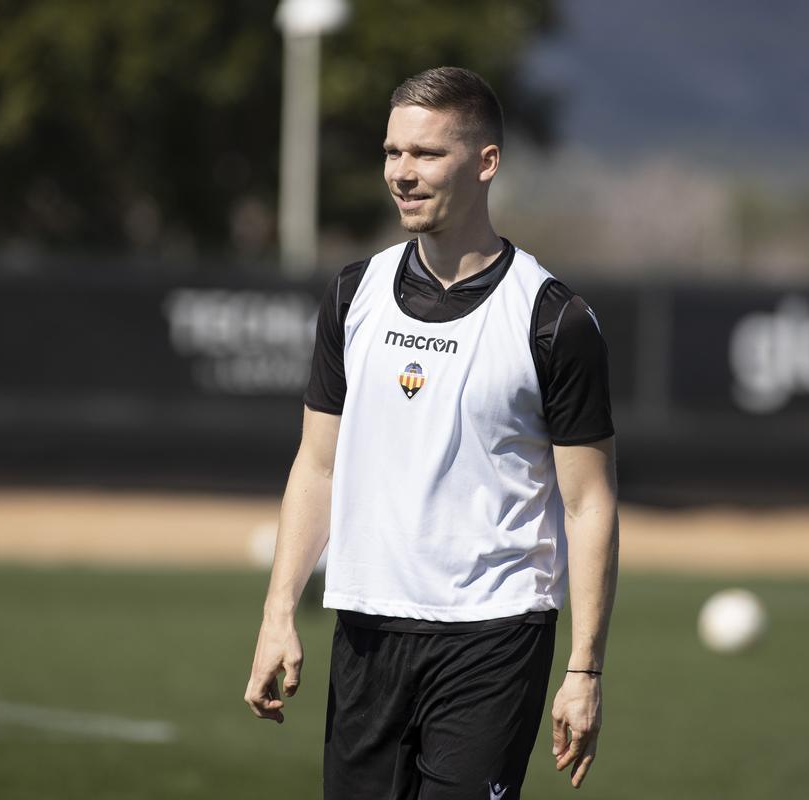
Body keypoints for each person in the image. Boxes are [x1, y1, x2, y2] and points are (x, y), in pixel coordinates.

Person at [245, 66, 620, 798]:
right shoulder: (354, 294)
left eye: (426, 155)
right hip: (366, 628)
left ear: (486, 162)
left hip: (495, 634)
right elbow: (316, 467)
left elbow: (589, 504)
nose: (402, 175)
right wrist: (277, 615)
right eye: (393, 153)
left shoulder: (553, 320)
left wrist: (585, 670)